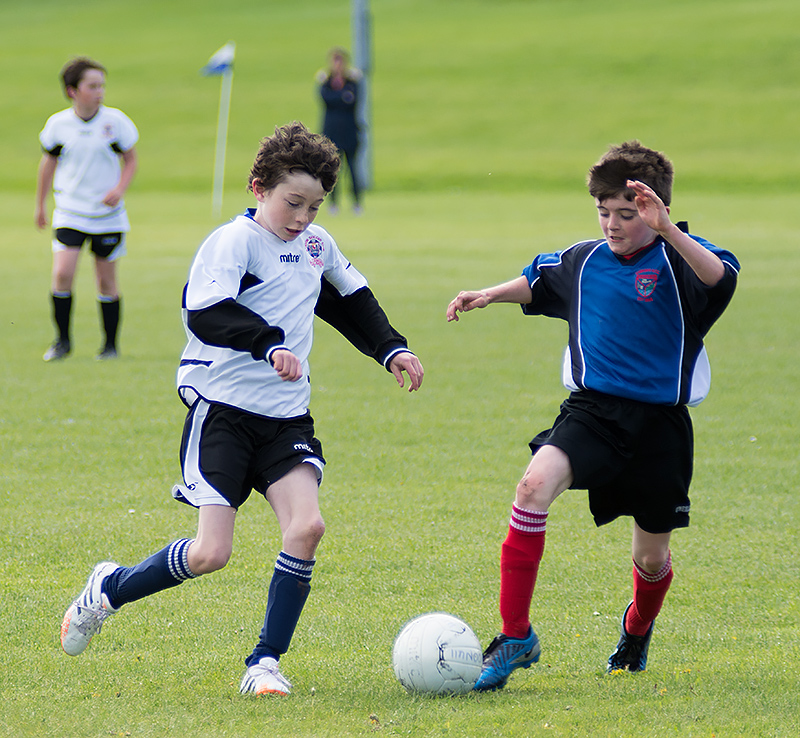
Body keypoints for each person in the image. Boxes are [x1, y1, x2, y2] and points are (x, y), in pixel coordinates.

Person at [60, 122, 424, 696]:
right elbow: (204, 312)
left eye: (315, 205)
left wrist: (391, 347)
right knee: (211, 553)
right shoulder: (235, 242)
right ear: (260, 188)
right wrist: (269, 343)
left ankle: (265, 663)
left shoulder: (315, 244)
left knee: (307, 528)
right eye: (292, 203)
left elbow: (349, 300)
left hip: (286, 419)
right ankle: (109, 589)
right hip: (224, 413)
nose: (303, 217)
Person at [446, 141, 739, 690]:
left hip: (660, 426)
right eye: (604, 212)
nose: (613, 224)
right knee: (532, 487)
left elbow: (719, 278)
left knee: (651, 558)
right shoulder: (584, 260)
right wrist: (486, 294)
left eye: (627, 215)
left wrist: (669, 230)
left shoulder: (682, 260)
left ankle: (637, 627)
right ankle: (515, 636)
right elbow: (536, 281)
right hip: (592, 413)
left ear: (655, 211)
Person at [35, 57, 138, 361]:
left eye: (102, 85)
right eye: (92, 86)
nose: (99, 92)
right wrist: (40, 204)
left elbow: (131, 159)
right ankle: (62, 342)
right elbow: (48, 164)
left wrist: (119, 189)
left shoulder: (115, 122)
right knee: (62, 273)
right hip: (69, 211)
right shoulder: (58, 125)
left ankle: (109, 346)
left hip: (107, 217)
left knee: (106, 281)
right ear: (72, 91)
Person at [316, 47, 362, 215]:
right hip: (331, 132)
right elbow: (325, 99)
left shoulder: (352, 82)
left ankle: (357, 202)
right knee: (332, 169)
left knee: (352, 168)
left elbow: (353, 100)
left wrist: (340, 97)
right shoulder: (325, 82)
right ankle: (333, 203)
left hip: (349, 131)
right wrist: (342, 97)